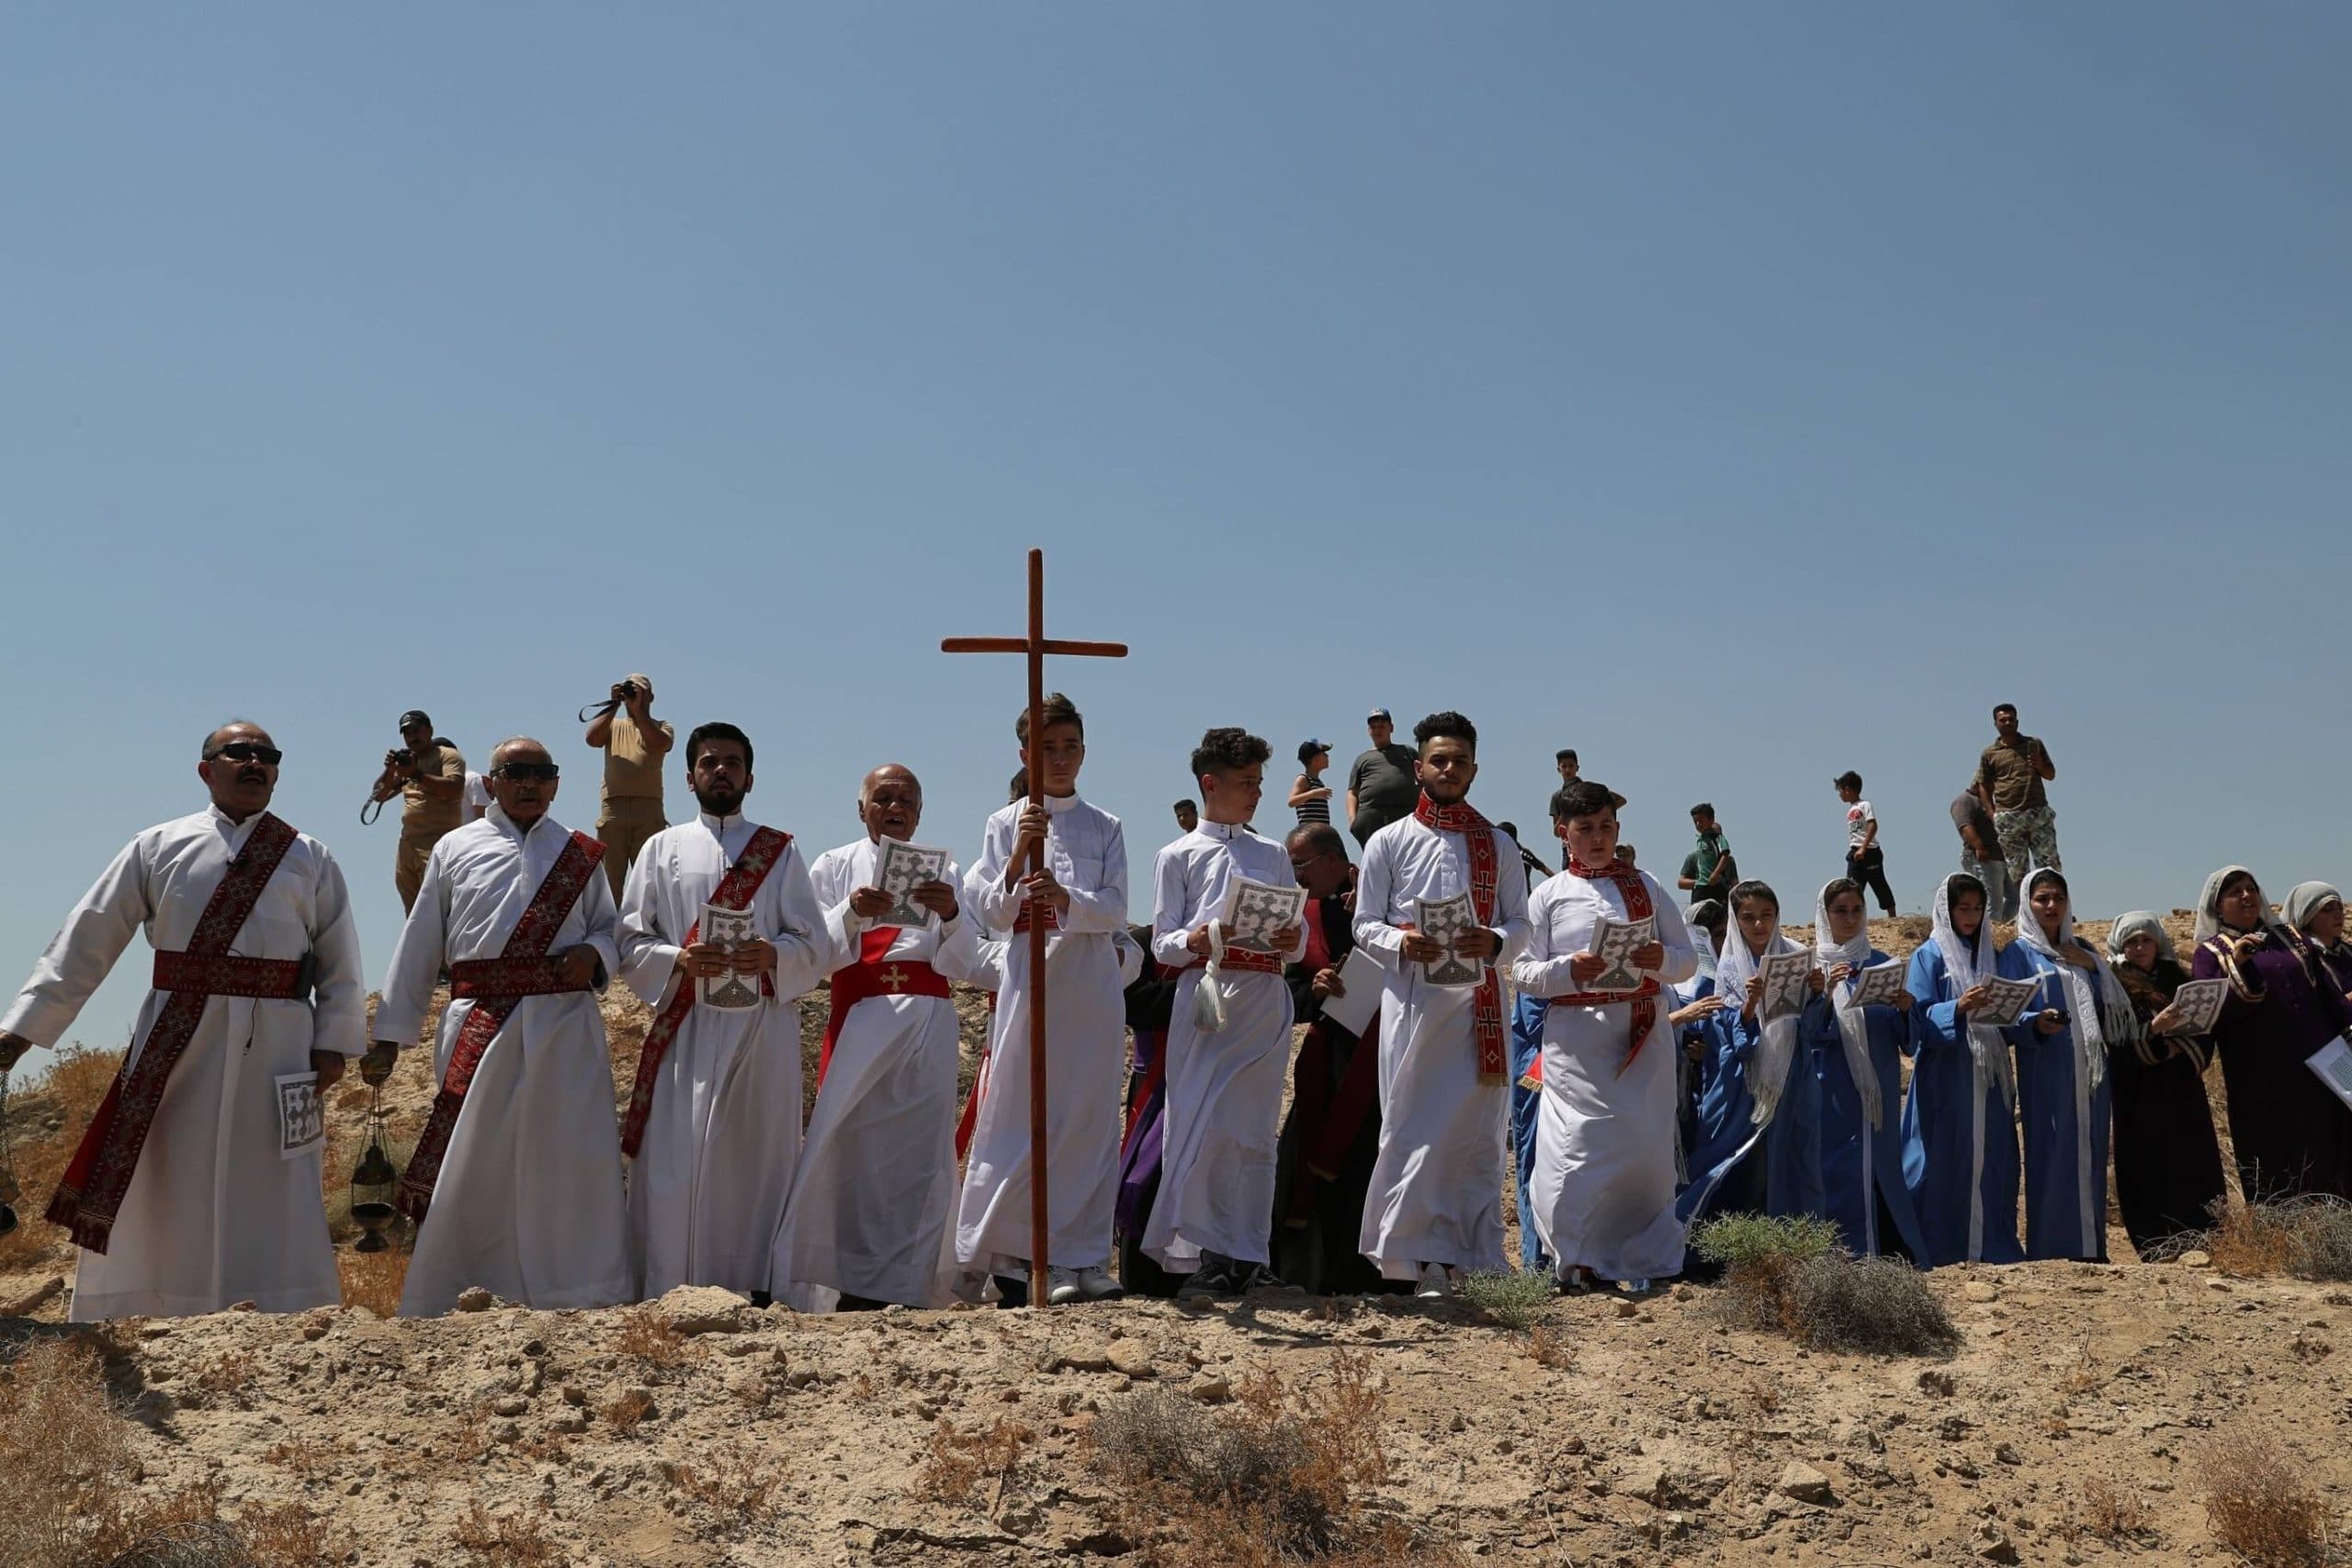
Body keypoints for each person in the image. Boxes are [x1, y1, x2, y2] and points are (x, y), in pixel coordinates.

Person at [0, 722, 364, 1320]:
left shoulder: (309, 855)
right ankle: (156, 1302)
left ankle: (281, 1305)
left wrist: (333, 1044)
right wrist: (22, 1027)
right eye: (239, 753)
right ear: (206, 768)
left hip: (281, 1042)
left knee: (275, 1172)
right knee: (165, 1164)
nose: (255, 763)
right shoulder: (157, 844)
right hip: (175, 1035)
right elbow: (90, 934)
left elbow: (340, 958)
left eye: (267, 756)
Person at [368, 737, 632, 1316]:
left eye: (543, 772)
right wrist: (390, 1032)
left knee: (568, 1155)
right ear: (491, 782)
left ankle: (579, 1291)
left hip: (565, 1025)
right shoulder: (455, 847)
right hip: (478, 1024)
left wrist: (594, 956)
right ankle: (460, 1289)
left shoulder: (581, 853)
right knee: (475, 1156)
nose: (531, 782)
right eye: (516, 771)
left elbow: (613, 932)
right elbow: (420, 942)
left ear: (558, 783)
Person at [616, 723, 829, 1301]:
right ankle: (673, 1286)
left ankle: (759, 1289)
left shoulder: (779, 850)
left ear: (750, 777)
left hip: (761, 1027)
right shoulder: (659, 849)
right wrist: (678, 958)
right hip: (686, 1026)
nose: (721, 771)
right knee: (677, 1162)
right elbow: (631, 941)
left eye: (732, 763)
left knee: (755, 1162)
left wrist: (775, 953)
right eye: (709, 762)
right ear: (689, 777)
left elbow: (816, 943)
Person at [774, 762, 983, 1310]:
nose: (896, 808)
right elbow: (811, 949)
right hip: (862, 1019)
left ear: (920, 812)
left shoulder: (948, 872)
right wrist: (850, 913)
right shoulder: (833, 865)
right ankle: (847, 1284)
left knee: (918, 1159)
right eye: (883, 798)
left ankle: (909, 1286)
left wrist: (954, 915)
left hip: (927, 1023)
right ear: (861, 807)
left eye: (907, 800)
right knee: (850, 1155)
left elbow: (968, 959)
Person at [953, 693, 1131, 1305]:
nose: (1060, 759)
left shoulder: (1106, 825)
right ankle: (1030, 1255)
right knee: (1029, 1112)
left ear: (1084, 751)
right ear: (1026, 753)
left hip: (1090, 980)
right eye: (1047, 748)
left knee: (1087, 1114)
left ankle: (1084, 1256)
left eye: (1070, 747)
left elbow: (1115, 909)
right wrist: (1016, 858)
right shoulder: (1004, 823)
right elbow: (994, 913)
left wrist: (1065, 895)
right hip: (1033, 973)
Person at [1354, 712, 1531, 1298]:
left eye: (1459, 760)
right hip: (1413, 1005)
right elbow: (1364, 925)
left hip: (1480, 1005)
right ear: (1418, 767)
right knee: (1416, 1125)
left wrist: (1498, 942)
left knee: (1477, 1132)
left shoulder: (1499, 844)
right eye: (1439, 760)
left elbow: (1521, 924)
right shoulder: (1388, 840)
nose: (1449, 769)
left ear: (1475, 769)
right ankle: (1419, 1257)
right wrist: (1400, 941)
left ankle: (1474, 1257)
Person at [1510, 780, 1695, 1292]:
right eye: (1586, 828)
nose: (1598, 838)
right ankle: (1576, 1260)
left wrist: (1663, 962)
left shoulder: (1647, 886)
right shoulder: (1547, 895)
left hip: (1642, 1035)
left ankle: (1644, 1259)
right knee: (1575, 1149)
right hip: (1574, 1041)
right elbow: (1522, 972)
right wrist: (1570, 969)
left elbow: (1688, 959)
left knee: (1643, 1148)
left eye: (1606, 827)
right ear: (1562, 833)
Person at [1143, 729, 1305, 1297]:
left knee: (1256, 1131)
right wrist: (1205, 934)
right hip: (1207, 997)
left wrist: (1292, 932)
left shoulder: (1273, 853)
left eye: (1259, 782)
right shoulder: (1176, 856)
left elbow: (1300, 935)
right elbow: (1161, 944)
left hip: (1263, 996)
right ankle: (1207, 1258)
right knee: (1204, 1125)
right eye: (1245, 783)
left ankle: (1250, 1256)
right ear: (1211, 784)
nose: (1256, 793)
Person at [1678, 881, 1831, 1235]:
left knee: (1795, 1154)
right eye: (1749, 918)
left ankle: (1796, 1240)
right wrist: (1749, 1004)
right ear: (1736, 921)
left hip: (1793, 1073)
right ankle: (1712, 1245)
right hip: (1744, 1084)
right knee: (1736, 1159)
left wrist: (1817, 995)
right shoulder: (1730, 968)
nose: (1759, 925)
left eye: (1766, 916)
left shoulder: (1795, 954)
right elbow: (1730, 1037)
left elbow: (1813, 1028)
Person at [1271, 823, 1385, 1296]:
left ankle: (1376, 1274)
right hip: (1328, 1058)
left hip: (1382, 1057)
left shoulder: (1378, 894)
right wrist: (1313, 990)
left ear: (1334, 859)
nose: (1294, 875)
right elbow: (1285, 988)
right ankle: (1308, 1275)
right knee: (1303, 1159)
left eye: (1301, 864)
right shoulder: (1301, 918)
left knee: (1371, 1164)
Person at [2192, 866, 2352, 1203]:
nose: (2247, 896)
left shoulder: (2291, 938)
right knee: (2273, 1157)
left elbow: (2326, 995)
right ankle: (2282, 1242)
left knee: (2326, 1149)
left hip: (2318, 1067)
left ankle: (2330, 1236)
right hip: (2260, 1078)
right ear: (2217, 905)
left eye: (2251, 888)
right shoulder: (2210, 953)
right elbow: (2215, 1012)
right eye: (2235, 892)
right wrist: (2238, 963)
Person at [1903, 873, 2030, 1266]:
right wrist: (1957, 1007)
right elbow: (1917, 1019)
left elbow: (2005, 1019)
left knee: (1993, 1161)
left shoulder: (1993, 954)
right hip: (1947, 1077)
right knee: (1941, 1160)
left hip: (1990, 1078)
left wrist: (2032, 1021)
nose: (1972, 916)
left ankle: (1992, 1246)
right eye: (1964, 908)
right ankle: (1937, 1249)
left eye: (1978, 908)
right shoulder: (1929, 956)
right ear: (1948, 909)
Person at [2010, 869, 2124, 1262]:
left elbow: (2113, 1008)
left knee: (2090, 1152)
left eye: (2058, 897)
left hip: (2092, 1072)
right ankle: (2052, 1249)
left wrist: (2093, 966)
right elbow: (2006, 1014)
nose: (2052, 906)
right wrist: (2035, 1024)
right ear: (2028, 903)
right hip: (2048, 1069)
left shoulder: (2083, 950)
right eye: (2042, 899)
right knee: (2051, 1151)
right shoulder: (2017, 953)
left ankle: (2093, 1248)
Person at [1812, 879, 1928, 1260]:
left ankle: (1889, 1249)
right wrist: (1828, 993)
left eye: (1856, 910)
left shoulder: (1881, 963)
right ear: (1825, 916)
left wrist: (1906, 1007)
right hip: (1832, 1088)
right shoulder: (1813, 966)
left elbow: (1907, 1039)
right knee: (1837, 1167)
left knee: (1881, 1168)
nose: (1849, 918)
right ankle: (1841, 1253)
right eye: (1840, 911)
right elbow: (1807, 1033)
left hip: (1878, 1085)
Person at [2104, 911, 2227, 1258]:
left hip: (2182, 1089)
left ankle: (2204, 1239)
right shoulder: (2114, 987)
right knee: (2146, 1164)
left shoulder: (2178, 978)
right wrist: (2155, 1032)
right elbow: (2116, 1042)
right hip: (2138, 1094)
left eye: (2146, 939)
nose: (2140, 947)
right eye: (2131, 941)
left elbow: (2205, 1031)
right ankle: (2155, 1244)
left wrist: (2184, 1045)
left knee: (2192, 1161)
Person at [584, 673, 675, 900]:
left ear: (650, 696)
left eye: (639, 691)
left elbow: (660, 744)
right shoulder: (613, 725)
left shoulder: (661, 726)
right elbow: (592, 739)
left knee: (651, 879)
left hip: (649, 810)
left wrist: (639, 711)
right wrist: (614, 705)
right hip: (613, 810)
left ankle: (649, 929)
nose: (633, 695)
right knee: (609, 881)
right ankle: (607, 932)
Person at [368, 710, 468, 914]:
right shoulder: (407, 761)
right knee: (413, 910)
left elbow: (454, 787)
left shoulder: (446, 755)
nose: (412, 737)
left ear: (429, 730)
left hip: (438, 841)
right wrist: (389, 770)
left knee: (437, 907)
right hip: (409, 844)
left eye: (416, 730)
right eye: (406, 733)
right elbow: (379, 795)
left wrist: (417, 775)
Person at [1974, 704, 2059, 876]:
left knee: (2049, 867)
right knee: (2017, 872)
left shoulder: (2033, 744)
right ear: (1996, 724)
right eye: (2003, 720)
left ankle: (2053, 900)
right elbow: (1983, 784)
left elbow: (2050, 774)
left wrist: (2039, 765)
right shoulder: (1990, 754)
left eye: (2011, 719)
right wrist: (1993, 814)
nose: (2008, 723)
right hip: (2008, 816)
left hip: (2037, 811)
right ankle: (2024, 903)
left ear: (2017, 721)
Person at [1343, 707, 1420, 849]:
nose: (1377, 730)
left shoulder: (1407, 752)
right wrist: (1353, 820)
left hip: (1404, 814)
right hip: (1371, 817)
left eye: (1381, 726)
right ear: (1369, 731)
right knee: (1377, 862)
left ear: (1391, 728)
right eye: (1373, 727)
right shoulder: (1363, 759)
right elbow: (1352, 792)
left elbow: (1424, 779)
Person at [1835, 772, 1897, 918]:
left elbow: (1873, 825)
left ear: (1848, 789)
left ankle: (1893, 917)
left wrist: (1864, 847)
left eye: (1841, 791)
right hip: (1855, 852)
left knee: (1879, 883)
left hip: (1870, 852)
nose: (1840, 795)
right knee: (1852, 887)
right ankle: (1852, 917)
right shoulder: (1850, 810)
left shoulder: (1864, 805)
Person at [1951, 785, 2015, 923]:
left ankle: (1998, 928)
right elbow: (1964, 826)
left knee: (2016, 898)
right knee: (1992, 903)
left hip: (2002, 857)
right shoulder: (1964, 801)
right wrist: (1979, 846)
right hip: (1984, 858)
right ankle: (1991, 934)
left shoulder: (1989, 801)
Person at [2286, 884, 2352, 1002]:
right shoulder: (2300, 959)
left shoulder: (2347, 951)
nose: (2338, 915)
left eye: (2340, 908)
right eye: (2327, 909)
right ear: (2306, 914)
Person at [1677, 805, 1736, 907]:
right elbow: (1681, 882)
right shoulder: (1698, 846)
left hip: (1717, 886)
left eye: (1701, 821)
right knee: (1698, 914)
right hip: (1702, 886)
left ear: (1711, 820)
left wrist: (1715, 874)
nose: (1698, 824)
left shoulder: (1716, 838)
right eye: (1696, 822)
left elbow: (1725, 854)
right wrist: (1699, 882)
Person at [1290, 740, 1334, 829]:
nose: (1327, 756)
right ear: (1315, 759)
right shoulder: (1303, 779)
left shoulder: (1318, 782)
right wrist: (1313, 793)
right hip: (1309, 832)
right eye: (1324, 754)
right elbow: (1291, 802)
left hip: (1320, 832)